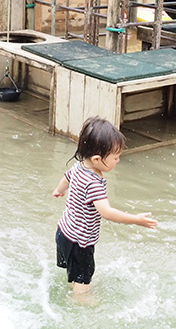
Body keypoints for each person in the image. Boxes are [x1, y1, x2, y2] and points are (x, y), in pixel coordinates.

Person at [52, 117, 158, 293]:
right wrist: (135, 220)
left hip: (63, 232)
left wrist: (58, 190)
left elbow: (66, 178)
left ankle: (73, 288)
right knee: (82, 280)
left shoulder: (79, 166)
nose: (118, 161)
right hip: (80, 243)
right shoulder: (94, 183)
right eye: (115, 157)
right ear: (96, 159)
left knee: (73, 272)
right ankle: (81, 301)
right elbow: (106, 212)